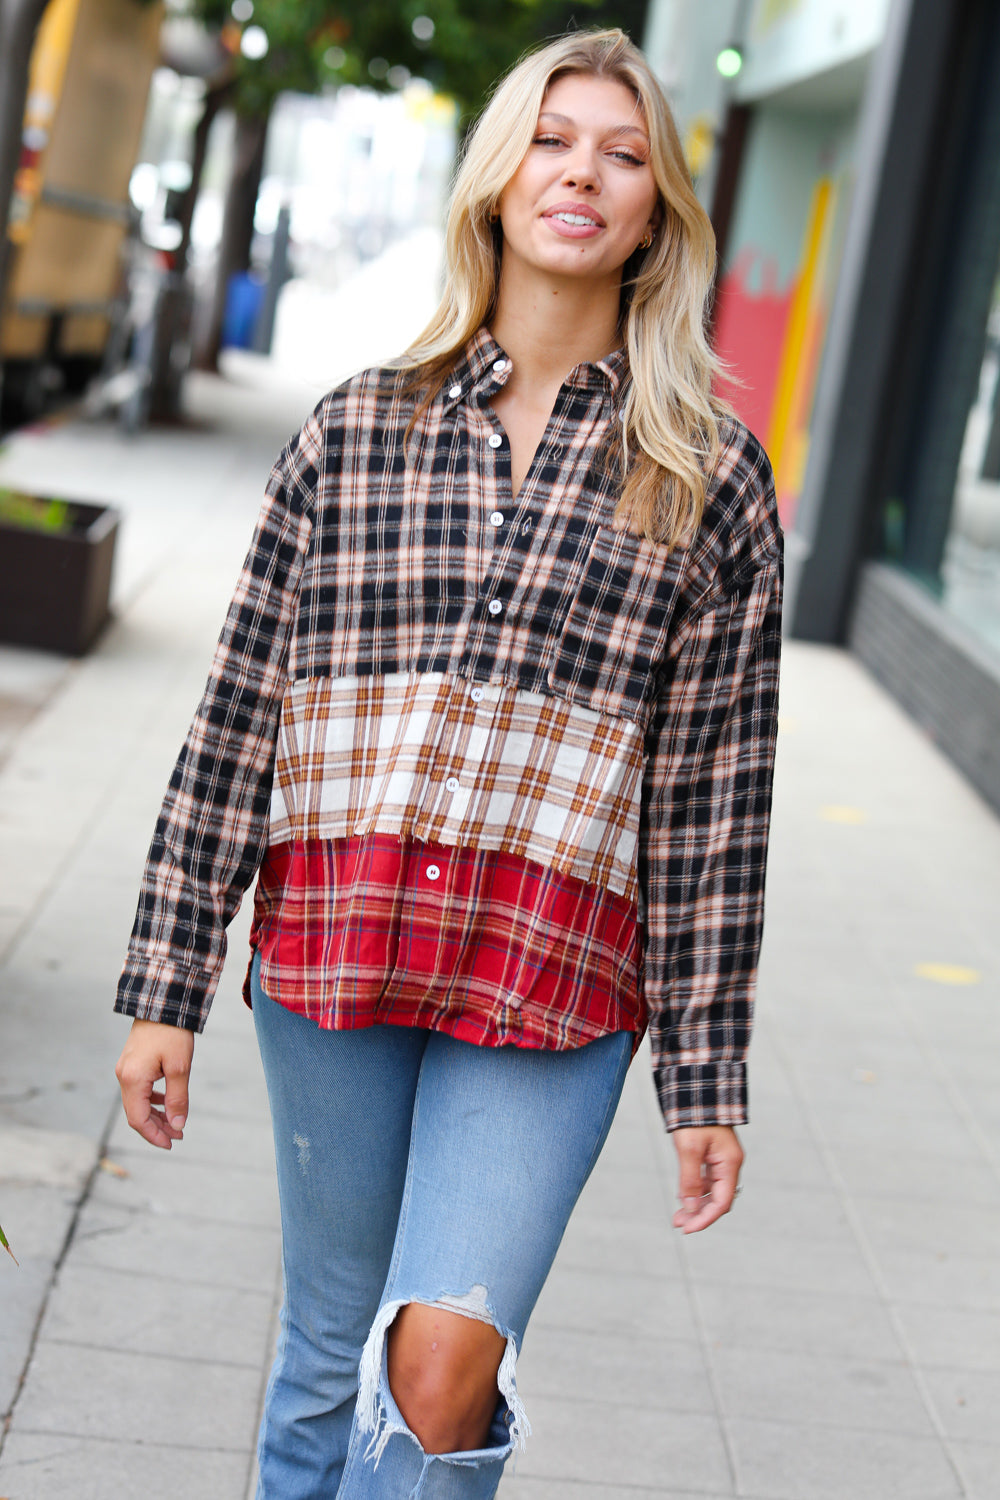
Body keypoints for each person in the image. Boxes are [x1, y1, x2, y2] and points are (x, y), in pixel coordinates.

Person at [114, 26, 781, 1500]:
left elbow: (719, 800)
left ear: (657, 208)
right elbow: (239, 713)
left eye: (623, 153)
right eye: (554, 140)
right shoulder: (359, 428)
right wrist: (168, 980)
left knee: (439, 1370)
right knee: (326, 1347)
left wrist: (708, 1074)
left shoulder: (710, 475)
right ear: (496, 181)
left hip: (554, 978)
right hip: (338, 944)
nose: (584, 174)